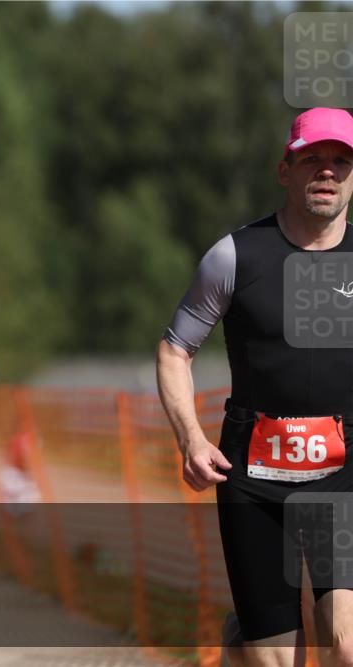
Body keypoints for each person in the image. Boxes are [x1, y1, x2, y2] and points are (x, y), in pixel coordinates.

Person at [157, 107, 353, 667]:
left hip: (346, 476)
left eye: (341, 162)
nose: (327, 172)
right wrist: (191, 440)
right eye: (312, 159)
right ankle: (244, 640)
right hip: (256, 477)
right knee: (275, 660)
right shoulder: (234, 256)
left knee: (345, 643)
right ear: (284, 170)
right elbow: (175, 350)